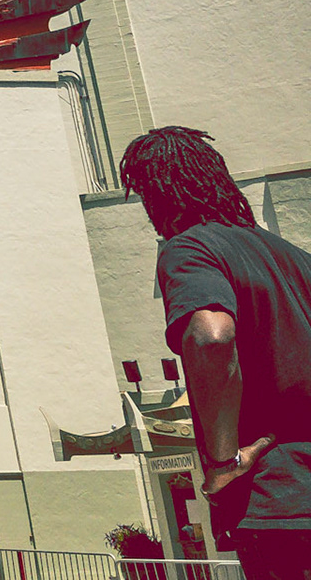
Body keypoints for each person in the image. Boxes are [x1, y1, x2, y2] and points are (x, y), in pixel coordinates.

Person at [120, 126, 311, 579]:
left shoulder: (189, 248)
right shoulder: (296, 257)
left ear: (157, 195)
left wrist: (225, 463)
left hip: (279, 501)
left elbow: (211, 337)